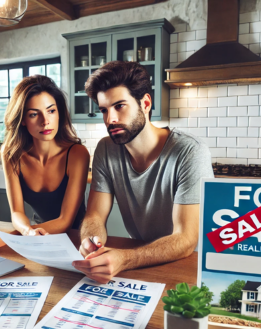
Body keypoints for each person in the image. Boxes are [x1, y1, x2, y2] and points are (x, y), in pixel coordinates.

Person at [72, 61, 214, 283]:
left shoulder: (190, 151)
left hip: (188, 265)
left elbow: (186, 239)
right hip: (139, 263)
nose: (110, 119)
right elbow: (95, 215)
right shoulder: (105, 149)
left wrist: (125, 259)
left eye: (119, 106)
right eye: (104, 110)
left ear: (145, 103)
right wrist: (92, 242)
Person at [0, 75, 90, 250]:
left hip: (77, 241)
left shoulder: (77, 154)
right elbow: (17, 212)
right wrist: (28, 233)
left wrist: (10, 238)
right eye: (34, 114)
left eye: (51, 111)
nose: (45, 121)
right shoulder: (11, 154)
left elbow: (65, 221)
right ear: (23, 120)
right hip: (37, 237)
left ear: (60, 113)